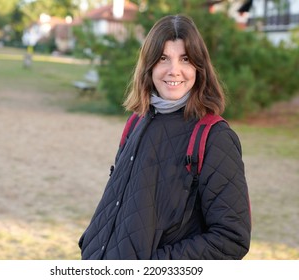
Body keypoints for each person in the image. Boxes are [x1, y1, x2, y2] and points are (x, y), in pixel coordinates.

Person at [78, 14, 251, 260]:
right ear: (149, 65)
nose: (174, 71)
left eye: (185, 59)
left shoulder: (215, 137)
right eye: (163, 58)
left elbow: (231, 239)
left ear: (199, 68)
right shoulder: (137, 121)